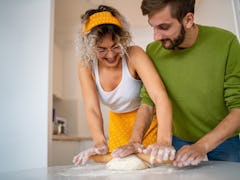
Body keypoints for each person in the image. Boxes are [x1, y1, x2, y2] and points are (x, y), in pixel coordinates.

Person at [113, 0, 240, 167]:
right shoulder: (153, 51)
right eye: (153, 27)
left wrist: (202, 146)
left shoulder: (226, 43)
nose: (156, 37)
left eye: (164, 27)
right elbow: (148, 103)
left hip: (223, 139)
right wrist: (134, 140)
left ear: (188, 20)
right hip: (177, 140)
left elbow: (237, 108)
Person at [72, 5, 175, 165]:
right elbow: (92, 109)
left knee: (153, 166)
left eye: (115, 46)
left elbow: (159, 96)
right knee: (120, 166)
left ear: (123, 39)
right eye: (101, 50)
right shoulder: (86, 66)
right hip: (117, 123)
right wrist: (99, 142)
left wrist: (163, 141)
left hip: (147, 121)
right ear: (89, 48)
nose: (111, 54)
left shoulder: (134, 54)